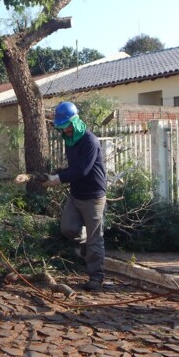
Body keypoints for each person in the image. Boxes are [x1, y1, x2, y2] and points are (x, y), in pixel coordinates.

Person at [42, 101, 107, 292]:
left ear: (75, 121)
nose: (66, 131)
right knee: (68, 228)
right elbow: (73, 168)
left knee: (96, 240)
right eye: (62, 128)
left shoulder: (89, 141)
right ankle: (83, 239)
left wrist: (58, 179)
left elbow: (82, 170)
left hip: (93, 196)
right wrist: (57, 172)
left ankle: (96, 277)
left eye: (67, 127)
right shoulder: (69, 140)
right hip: (76, 194)